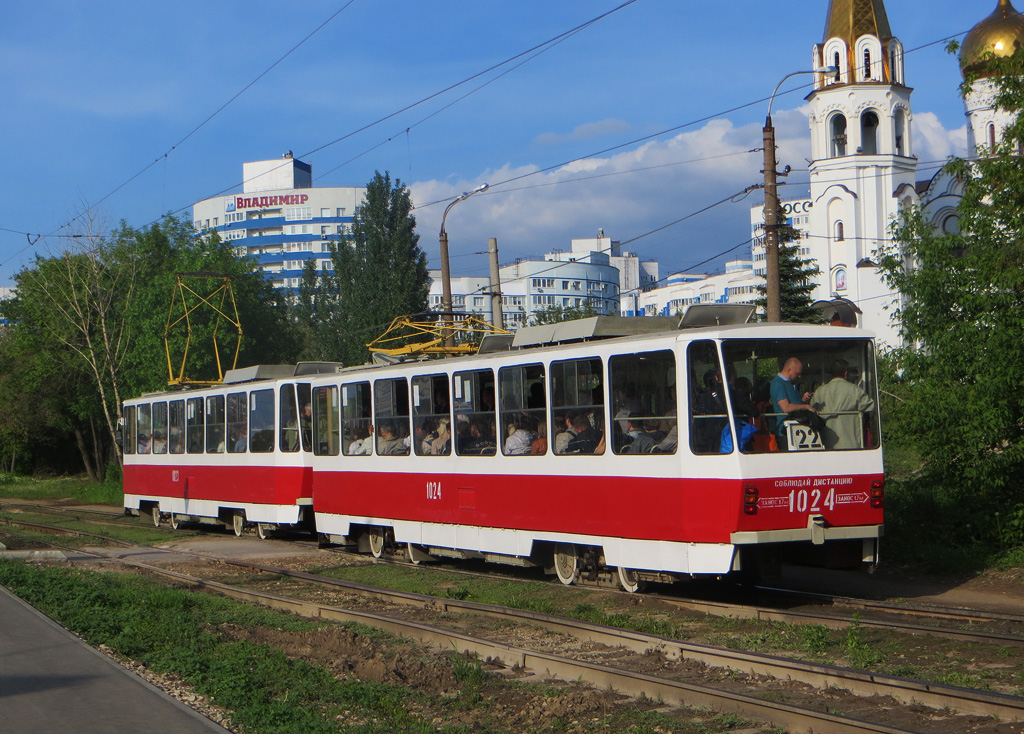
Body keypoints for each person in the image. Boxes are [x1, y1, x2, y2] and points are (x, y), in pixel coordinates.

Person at [812, 359, 875, 449]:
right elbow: (870, 407)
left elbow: (812, 410)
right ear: (846, 373)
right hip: (851, 444)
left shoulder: (819, 391)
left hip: (826, 444)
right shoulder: (855, 390)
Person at [770, 357, 817, 449]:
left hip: (797, 429)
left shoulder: (791, 384)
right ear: (789, 370)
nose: (799, 376)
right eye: (797, 373)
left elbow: (793, 403)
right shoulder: (778, 383)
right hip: (785, 431)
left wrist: (803, 400)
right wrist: (806, 407)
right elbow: (786, 407)